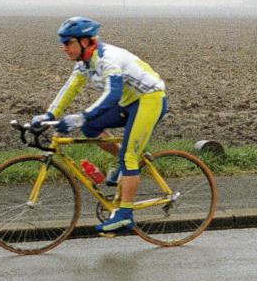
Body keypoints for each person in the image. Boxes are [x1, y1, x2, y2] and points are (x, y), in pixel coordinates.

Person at [32, 16, 167, 236]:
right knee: (91, 128)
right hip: (129, 102)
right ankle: (126, 160)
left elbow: (112, 94)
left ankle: (125, 216)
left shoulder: (107, 59)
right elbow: (71, 88)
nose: (64, 48)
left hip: (149, 99)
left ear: (85, 42)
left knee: (128, 157)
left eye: (68, 43)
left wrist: (81, 116)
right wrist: (49, 114)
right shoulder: (84, 63)